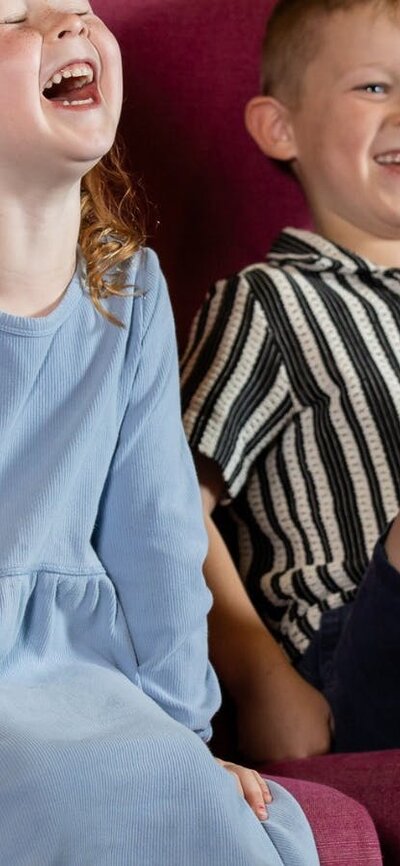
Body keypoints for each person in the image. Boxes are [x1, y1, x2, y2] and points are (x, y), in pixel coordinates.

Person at [0, 1, 322, 864]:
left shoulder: (129, 291)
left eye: (79, 8)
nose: (71, 26)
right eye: (16, 17)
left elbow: (159, 541)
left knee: (219, 816)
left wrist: (188, 736)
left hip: (85, 681)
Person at [181, 0, 400, 760]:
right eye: (376, 87)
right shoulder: (271, 302)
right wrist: (259, 676)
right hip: (353, 651)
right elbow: (169, 503)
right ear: (282, 127)